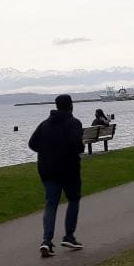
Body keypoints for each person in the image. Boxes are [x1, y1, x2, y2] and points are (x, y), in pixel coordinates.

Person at [28, 94, 84, 257]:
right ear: (71, 106)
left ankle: (46, 241)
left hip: (47, 169)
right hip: (68, 169)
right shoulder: (73, 123)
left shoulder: (45, 124)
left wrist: (47, 151)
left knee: (51, 203)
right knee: (73, 199)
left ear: (56, 106)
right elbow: (77, 146)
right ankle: (69, 236)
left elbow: (32, 143)